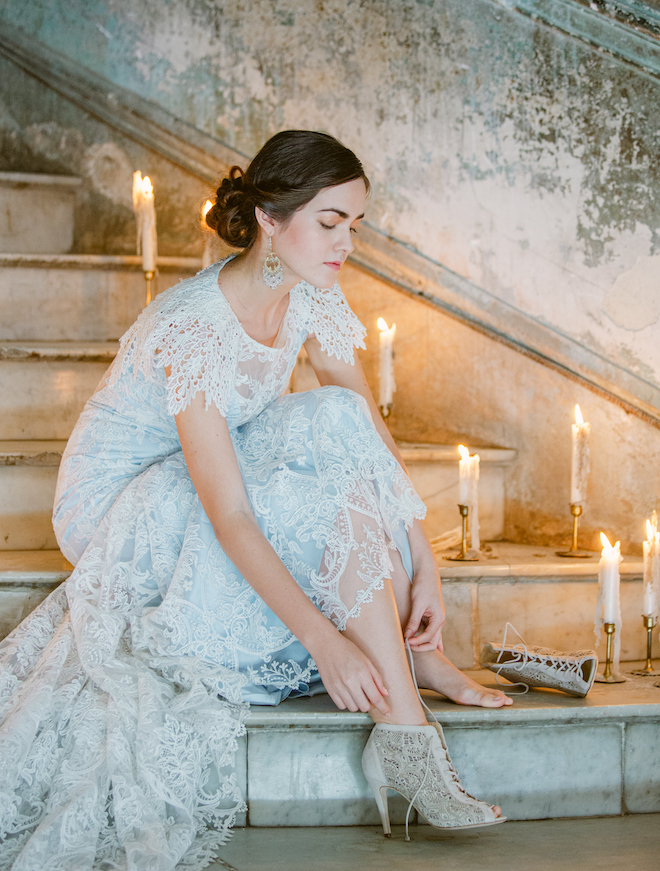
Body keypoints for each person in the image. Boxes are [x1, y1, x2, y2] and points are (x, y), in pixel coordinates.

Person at [0, 130, 510, 871]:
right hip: (122, 499)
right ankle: (405, 728)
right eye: (329, 223)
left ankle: (409, 659)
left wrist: (422, 554)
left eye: (355, 226)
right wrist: (323, 639)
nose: (346, 244)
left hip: (219, 461)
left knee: (335, 419)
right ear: (270, 219)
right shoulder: (193, 328)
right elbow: (231, 515)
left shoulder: (311, 290)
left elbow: (362, 426)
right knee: (312, 450)